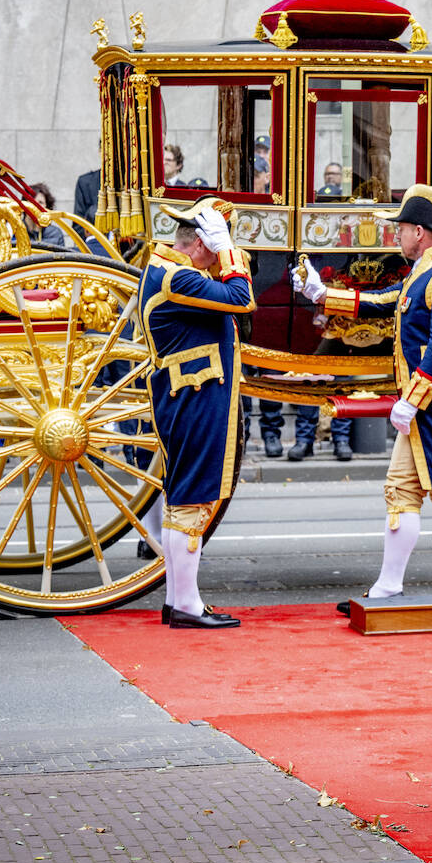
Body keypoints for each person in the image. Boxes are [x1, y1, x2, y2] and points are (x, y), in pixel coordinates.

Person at [296, 185, 432, 610]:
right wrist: (323, 295)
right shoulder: (427, 272)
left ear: (419, 232)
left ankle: (393, 587)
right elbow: (386, 303)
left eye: (401, 228)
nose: (396, 235)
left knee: (410, 489)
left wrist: (412, 399)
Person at [140, 198, 254, 630]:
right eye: (221, 241)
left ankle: (178, 599)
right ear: (203, 244)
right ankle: (187, 604)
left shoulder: (164, 268)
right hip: (197, 393)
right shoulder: (179, 278)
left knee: (181, 500)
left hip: (186, 391)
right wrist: (227, 252)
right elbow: (242, 299)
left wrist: (222, 249)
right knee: (194, 499)